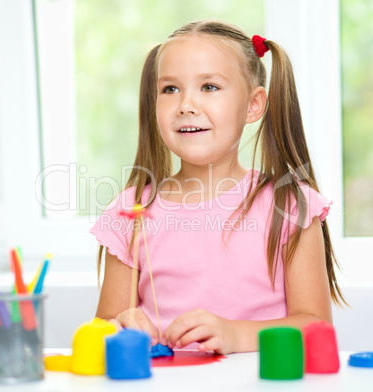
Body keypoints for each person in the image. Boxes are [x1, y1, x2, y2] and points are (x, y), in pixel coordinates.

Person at [90, 20, 346, 354]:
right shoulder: (130, 211)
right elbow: (103, 327)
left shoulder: (290, 205)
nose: (185, 105)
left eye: (209, 86)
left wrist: (235, 335)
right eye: (170, 89)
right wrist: (116, 330)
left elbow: (315, 327)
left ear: (253, 105)